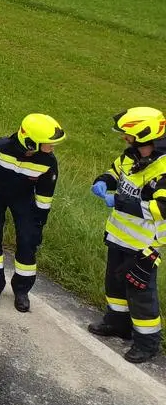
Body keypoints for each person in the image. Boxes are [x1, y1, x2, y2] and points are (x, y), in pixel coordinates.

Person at [86, 107, 166, 364]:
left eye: (128, 135)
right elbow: (115, 173)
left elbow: (161, 208)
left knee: (140, 294)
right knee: (115, 284)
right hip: (119, 236)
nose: (124, 138)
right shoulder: (131, 156)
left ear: (144, 135)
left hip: (144, 244)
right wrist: (103, 181)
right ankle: (117, 324)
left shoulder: (163, 168)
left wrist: (119, 201)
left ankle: (147, 344)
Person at [0, 114, 65, 312]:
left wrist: (39, 223)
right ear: (31, 143)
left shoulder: (48, 162)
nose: (52, 148)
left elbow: (44, 196)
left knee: (28, 242)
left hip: (23, 199)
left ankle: (21, 290)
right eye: (48, 144)